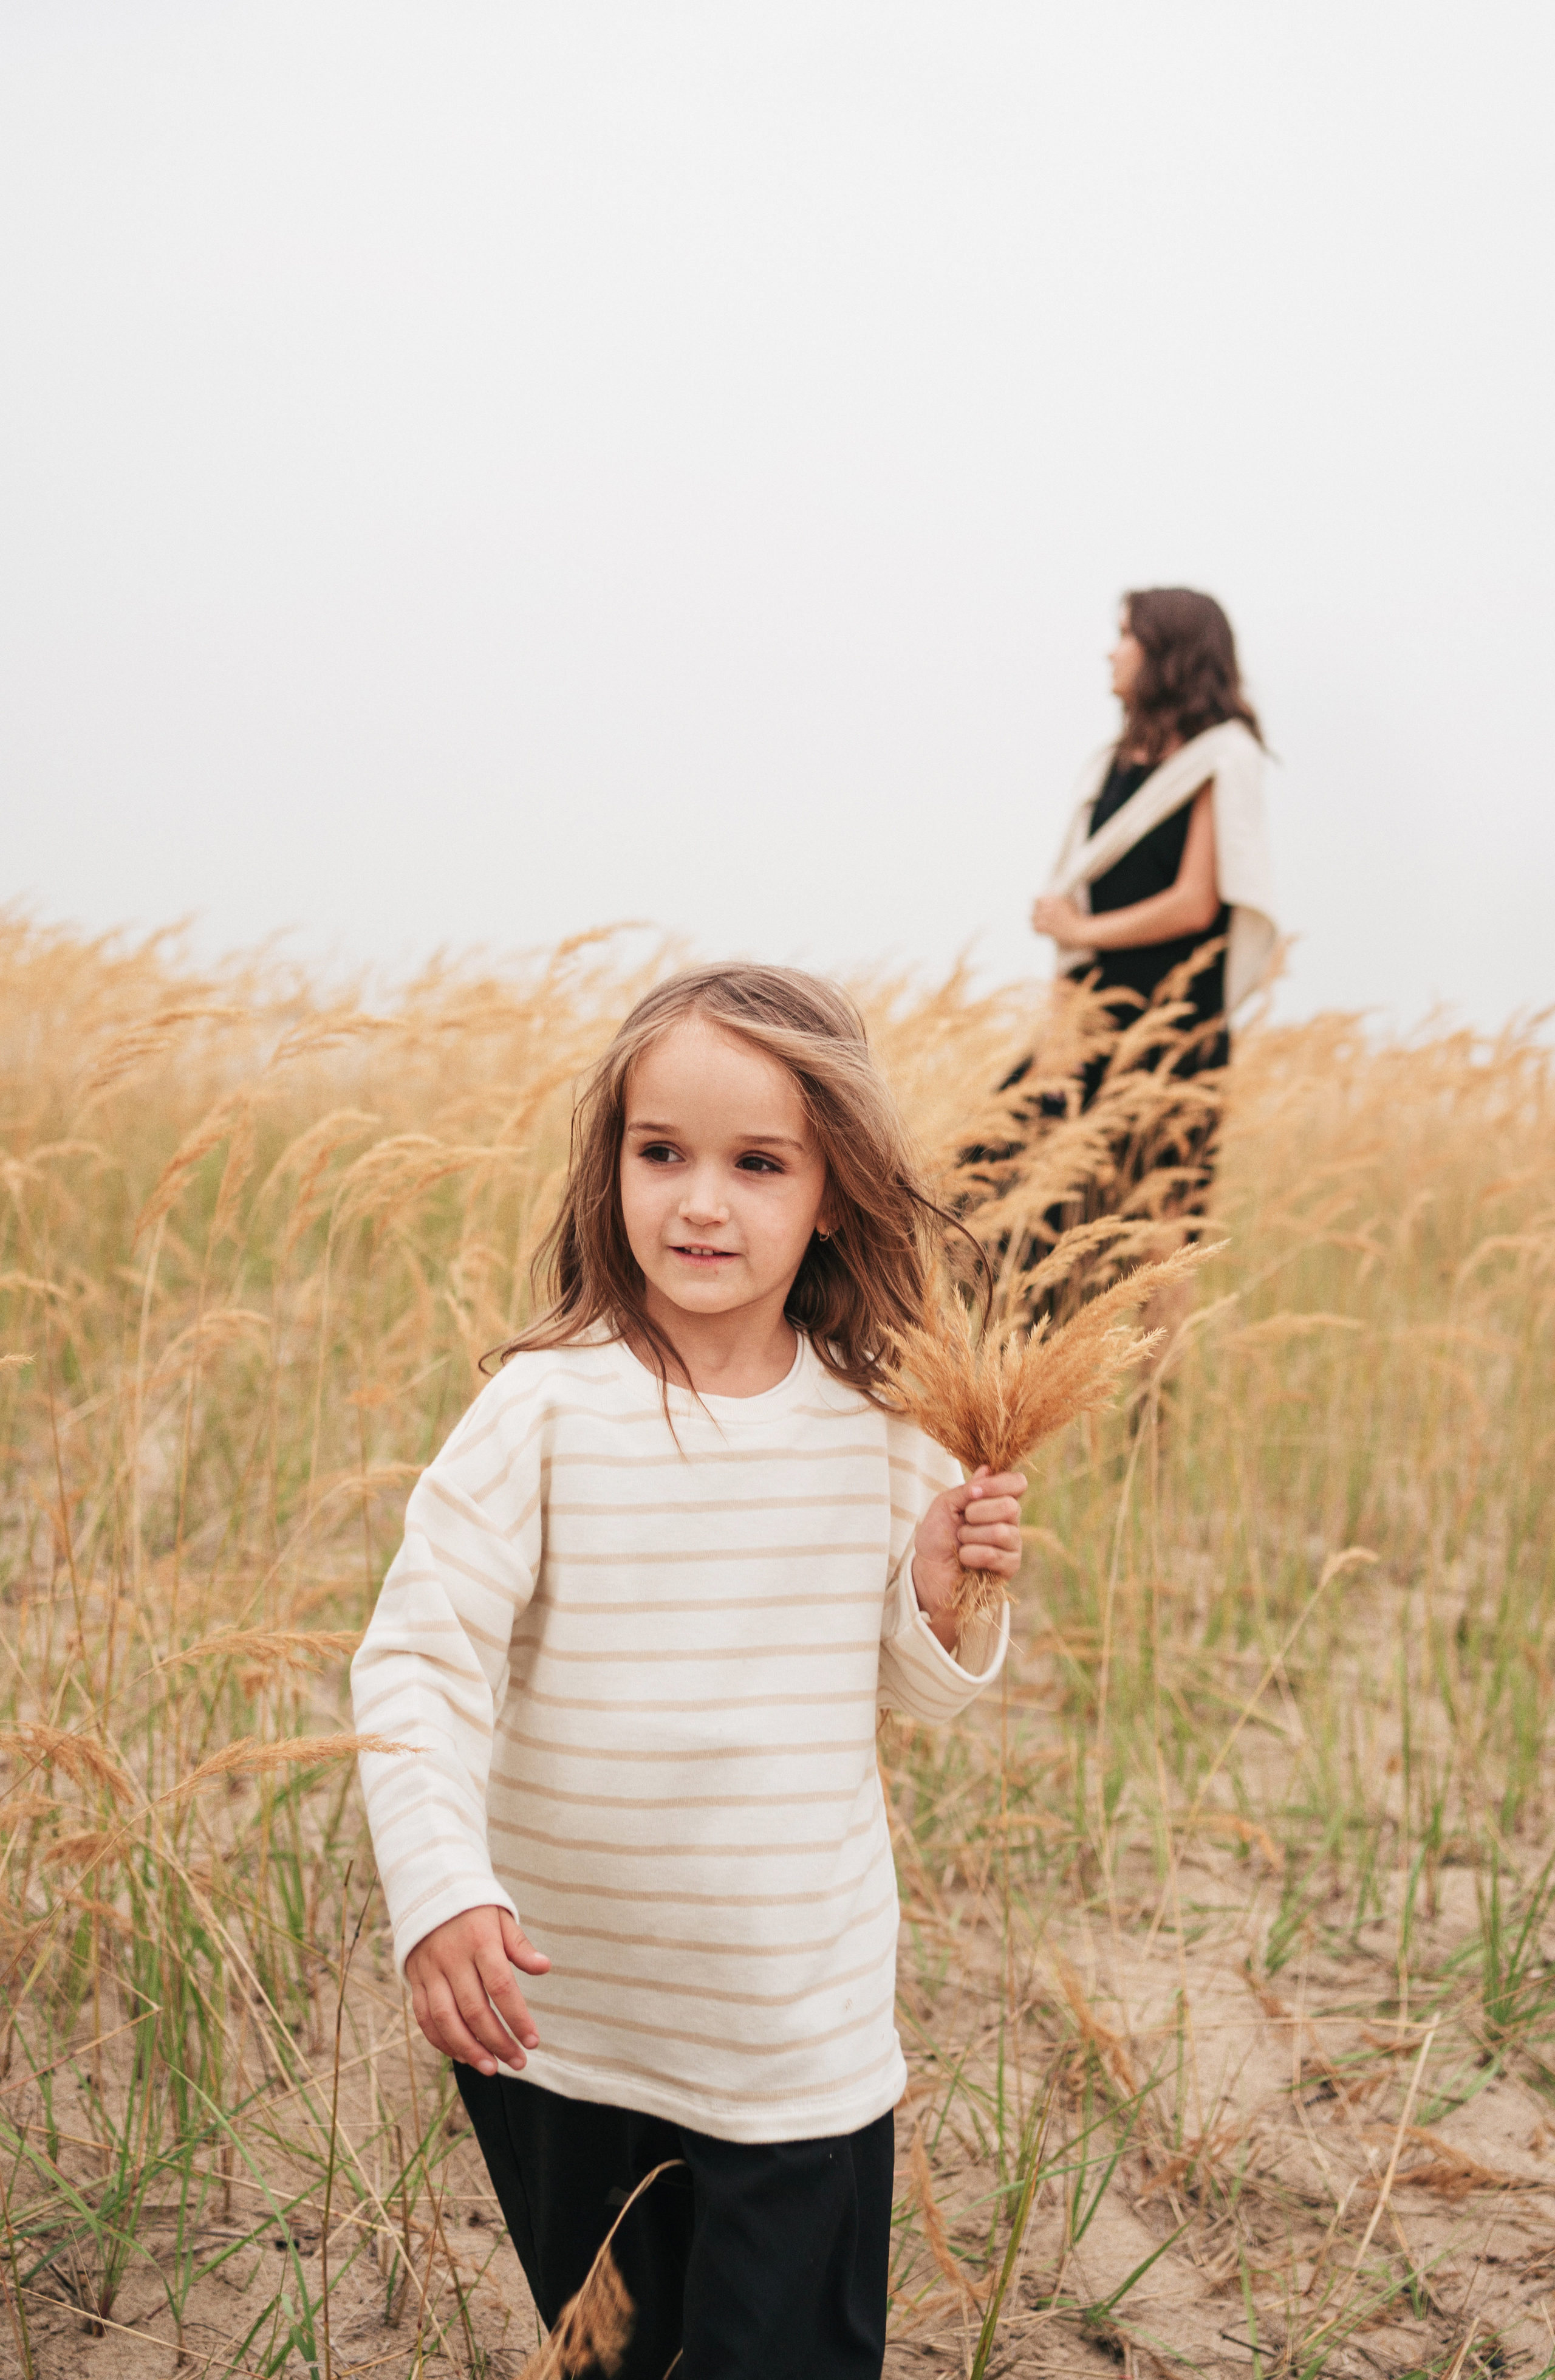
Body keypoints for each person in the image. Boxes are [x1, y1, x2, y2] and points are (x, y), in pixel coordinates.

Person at [351, 964, 1022, 2380]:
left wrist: (937, 1593)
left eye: (755, 1162)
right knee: (617, 2361)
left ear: (832, 1189)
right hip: (565, 2025)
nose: (698, 1200)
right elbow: (419, 1658)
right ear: (613, 1165)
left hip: (795, 2029)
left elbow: (914, 1682)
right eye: (660, 1153)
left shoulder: (882, 1424)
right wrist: (440, 1885)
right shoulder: (542, 1405)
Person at [1014, 588, 1279, 1268]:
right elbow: (1077, 916)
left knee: (1162, 1224)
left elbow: (1197, 902)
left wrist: (1080, 925)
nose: (1111, 649)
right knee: (1014, 1191)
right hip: (1095, 1012)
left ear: (1167, 653)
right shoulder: (1111, 764)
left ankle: (1163, 1381)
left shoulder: (1223, 756)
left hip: (1175, 1022)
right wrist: (1058, 1024)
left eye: (1126, 634)